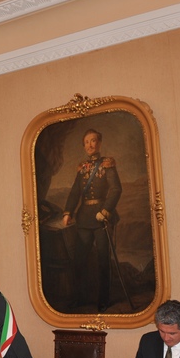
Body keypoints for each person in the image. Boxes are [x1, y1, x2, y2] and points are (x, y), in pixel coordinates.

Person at [61, 129, 122, 311]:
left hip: (102, 218)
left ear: (99, 143)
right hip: (84, 219)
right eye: (86, 142)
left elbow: (116, 189)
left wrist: (105, 211)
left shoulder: (107, 164)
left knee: (103, 260)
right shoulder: (82, 168)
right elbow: (74, 192)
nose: (90, 145)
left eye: (93, 141)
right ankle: (79, 298)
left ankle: (103, 300)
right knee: (79, 260)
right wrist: (68, 212)